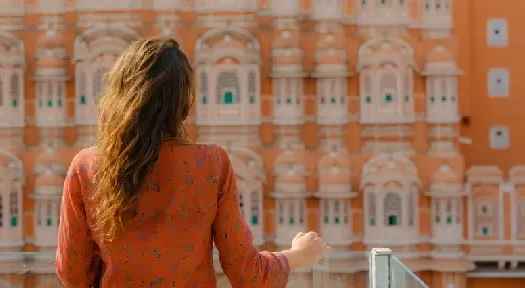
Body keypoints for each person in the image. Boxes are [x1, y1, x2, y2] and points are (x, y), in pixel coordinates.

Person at [56, 36, 330, 287]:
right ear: (183, 101)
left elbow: (72, 272)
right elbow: (245, 271)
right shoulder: (211, 164)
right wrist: (296, 256)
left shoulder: (86, 166)